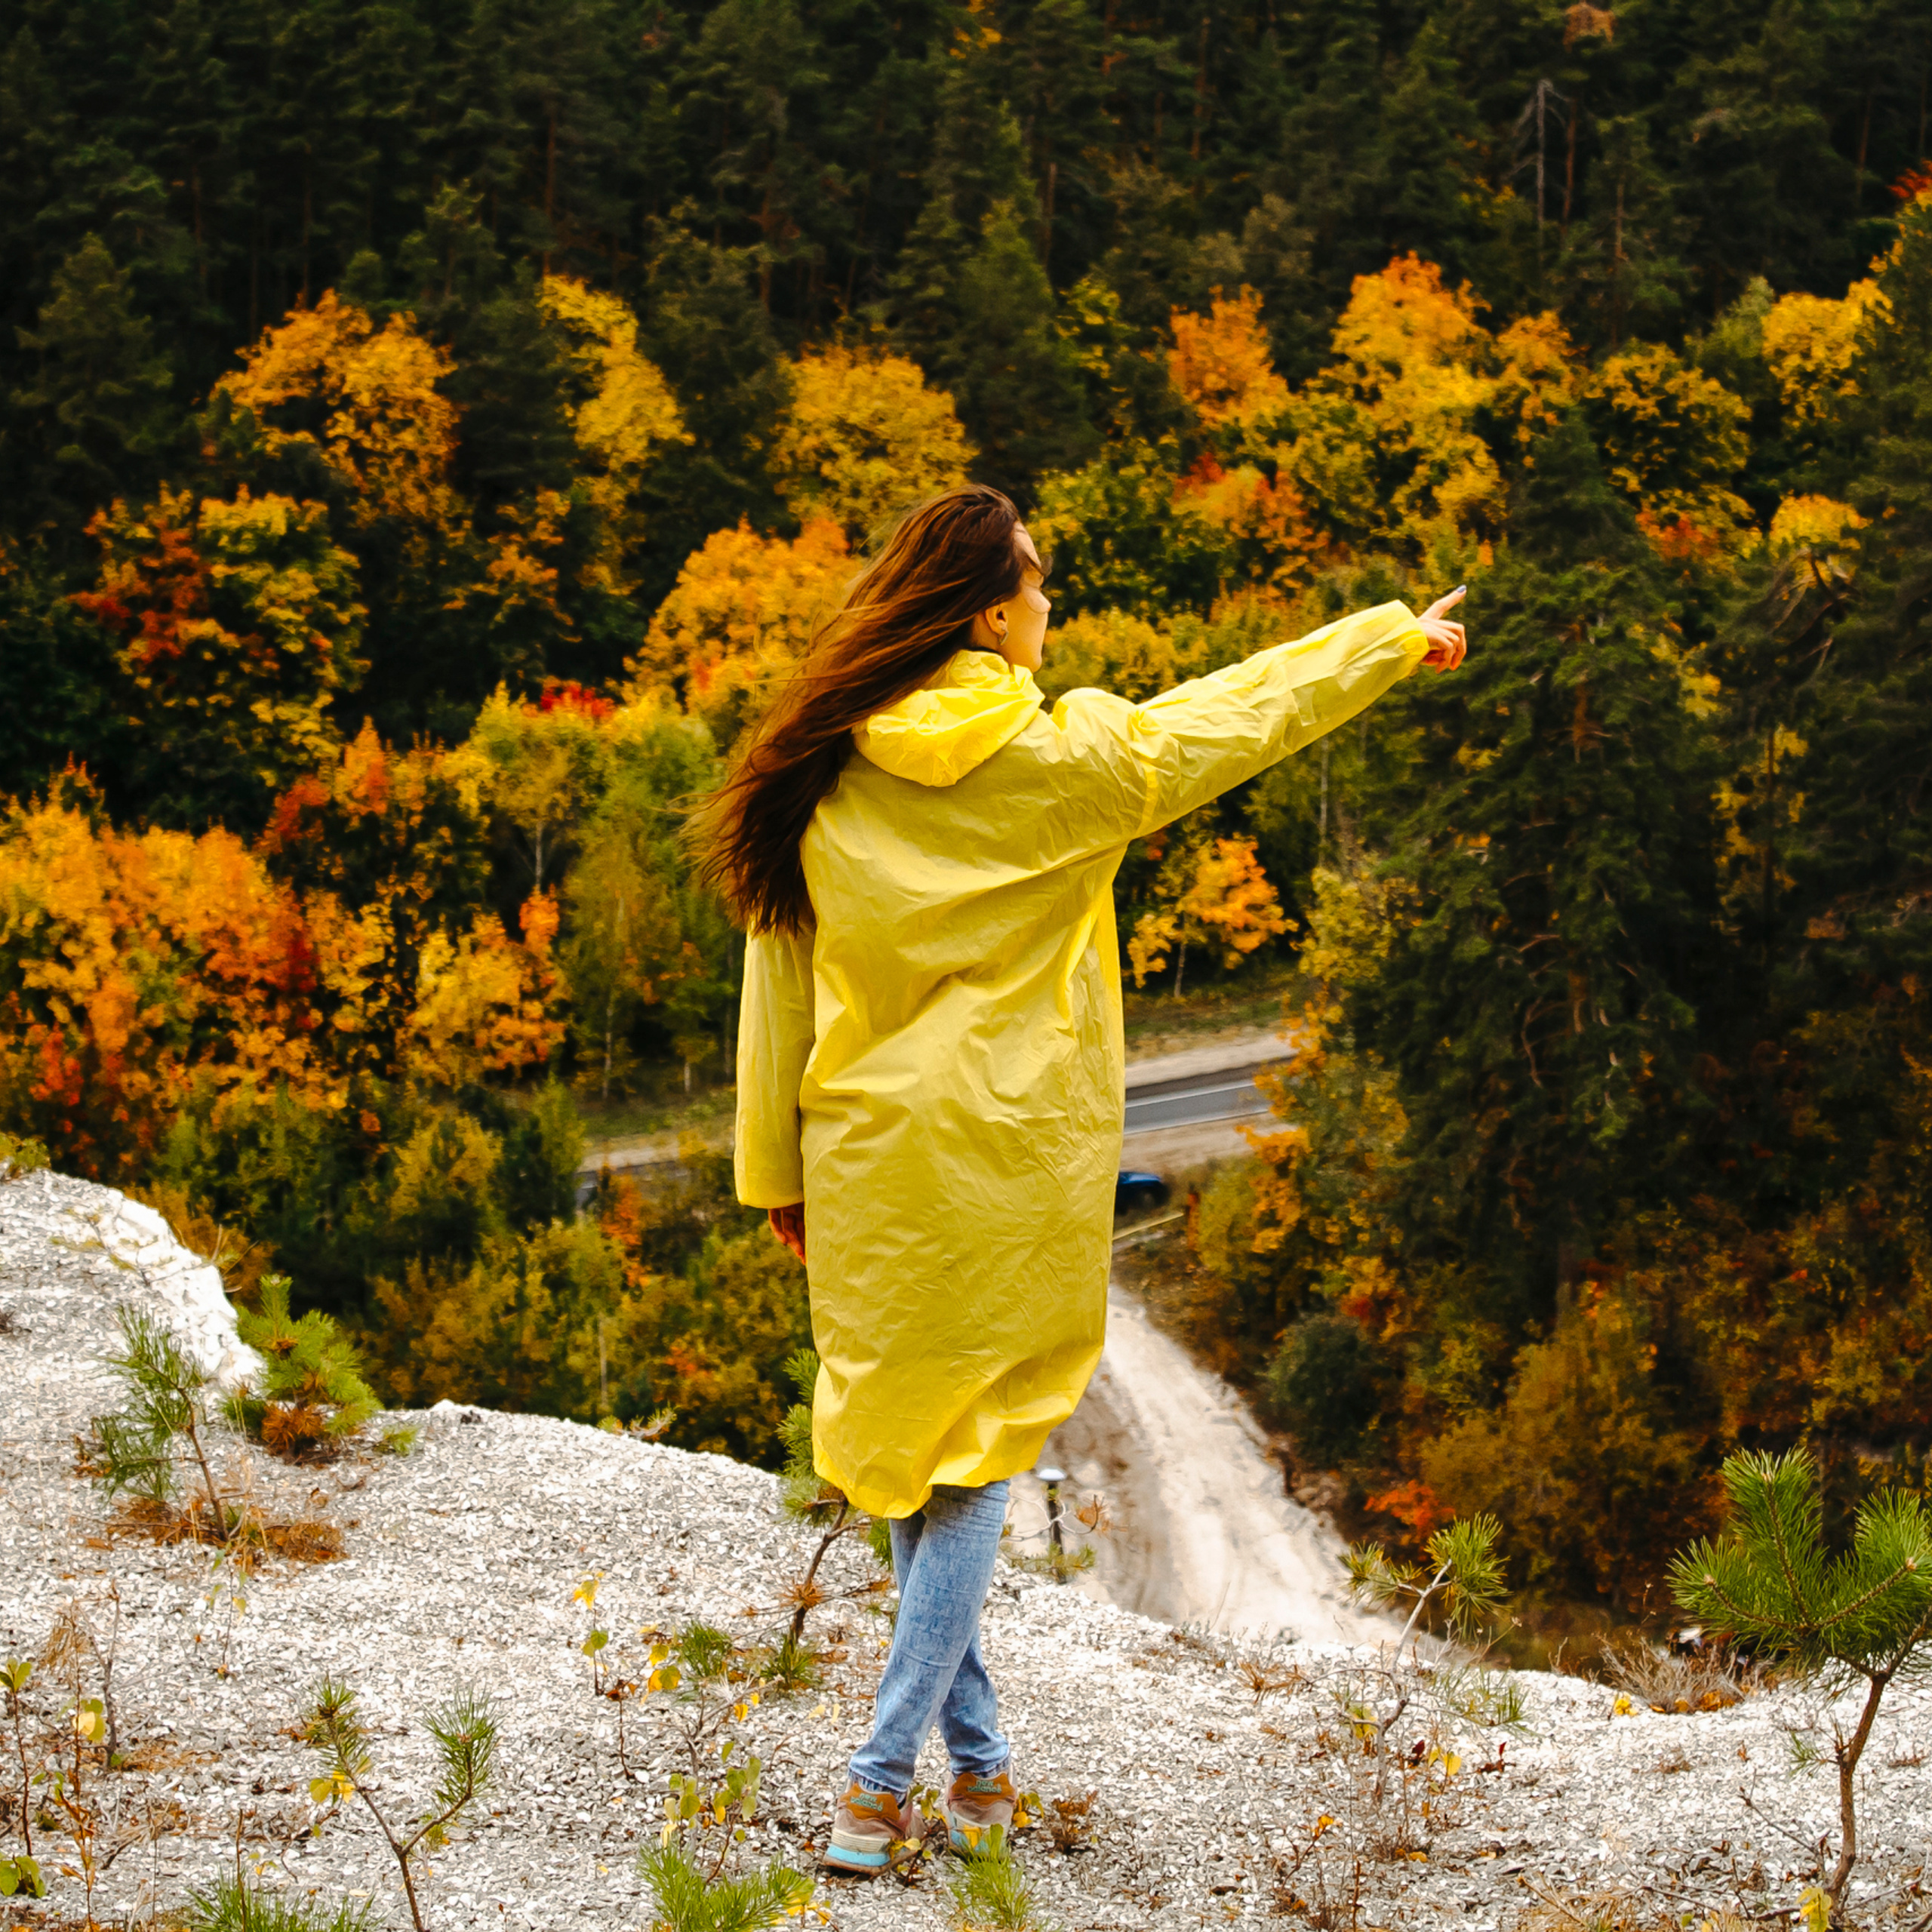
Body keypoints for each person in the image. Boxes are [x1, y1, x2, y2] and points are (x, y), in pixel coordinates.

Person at [697, 485, 1467, 1874]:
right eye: (1040, 582)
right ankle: (879, 1784)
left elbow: (778, 985)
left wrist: (777, 1179)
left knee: (913, 1459)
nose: (1053, 603)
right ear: (992, 611)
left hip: (866, 1157)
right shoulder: (1067, 766)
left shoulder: (814, 768)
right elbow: (1236, 715)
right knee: (979, 1466)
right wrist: (1389, 640)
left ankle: (980, 1773)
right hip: (1002, 1167)